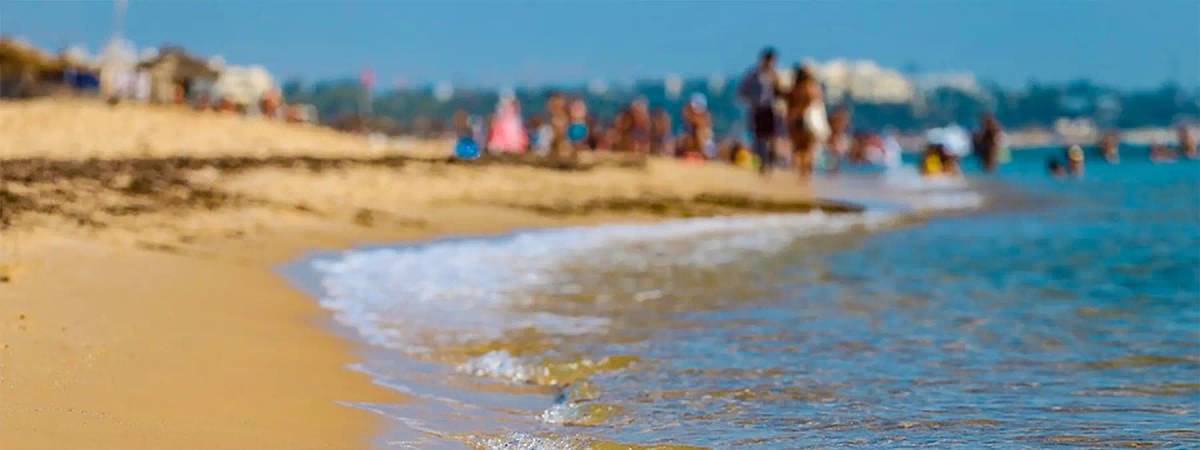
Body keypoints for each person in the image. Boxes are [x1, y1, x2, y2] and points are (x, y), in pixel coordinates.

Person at [738, 47, 780, 174]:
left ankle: (770, 161)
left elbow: (780, 92)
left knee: (772, 137)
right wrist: (752, 101)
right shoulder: (753, 74)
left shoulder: (775, 75)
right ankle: (762, 163)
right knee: (759, 137)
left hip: (771, 109)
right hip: (758, 109)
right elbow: (742, 92)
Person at [784, 65, 829, 178]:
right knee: (808, 149)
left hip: (796, 120)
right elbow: (816, 102)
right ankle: (804, 174)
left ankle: (800, 173)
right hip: (808, 121)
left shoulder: (794, 88)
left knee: (798, 148)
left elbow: (790, 105)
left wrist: (791, 116)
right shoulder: (812, 88)